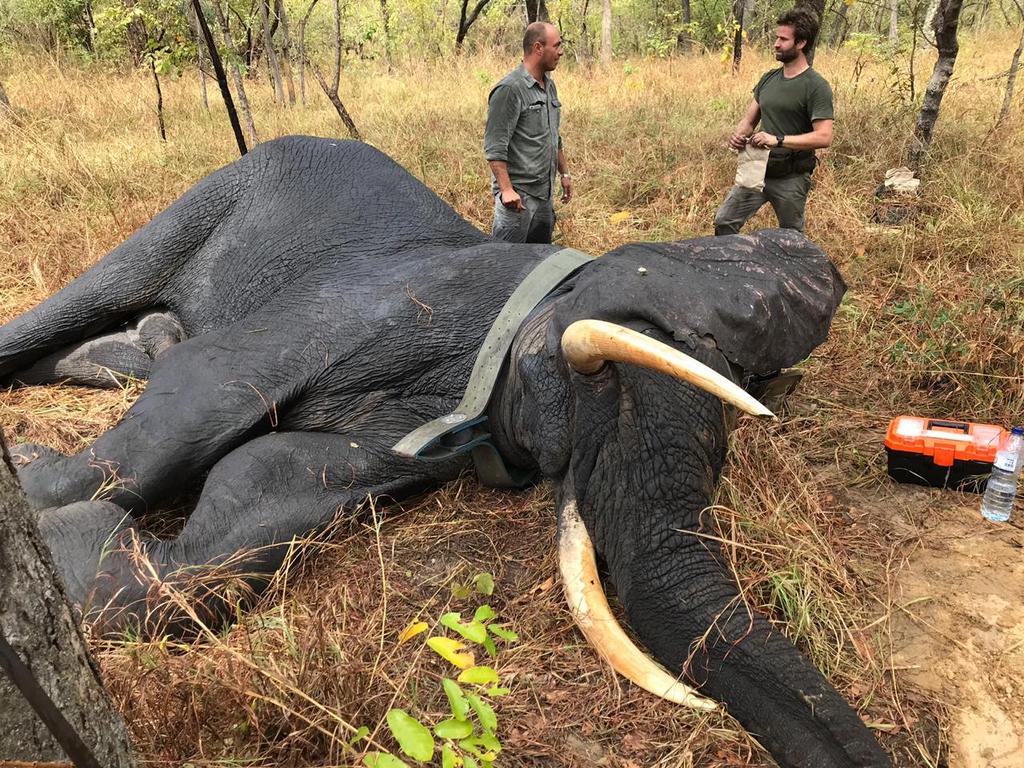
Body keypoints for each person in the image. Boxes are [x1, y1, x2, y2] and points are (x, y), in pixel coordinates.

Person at [714, 8, 834, 236]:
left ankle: (791, 270)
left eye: (783, 39)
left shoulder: (816, 86)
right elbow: (749, 121)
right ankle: (731, 267)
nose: (776, 44)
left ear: (801, 43)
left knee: (791, 237)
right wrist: (739, 136)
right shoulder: (769, 79)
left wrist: (777, 140)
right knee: (724, 221)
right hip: (757, 170)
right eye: (777, 37)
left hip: (791, 177)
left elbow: (824, 136)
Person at [484, 22, 573, 244]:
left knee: (539, 262)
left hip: (544, 195)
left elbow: (554, 135)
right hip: (518, 201)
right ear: (538, 48)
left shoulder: (549, 85)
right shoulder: (510, 90)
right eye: (557, 45)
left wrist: (565, 174)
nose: (561, 52)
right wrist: (506, 190)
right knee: (508, 264)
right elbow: (495, 146)